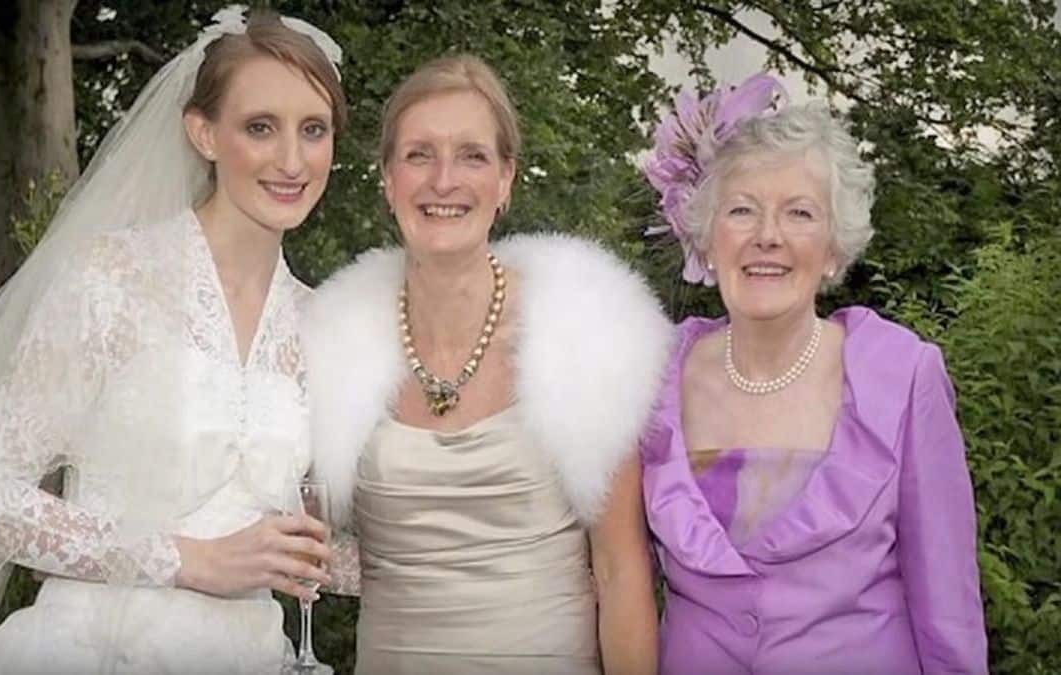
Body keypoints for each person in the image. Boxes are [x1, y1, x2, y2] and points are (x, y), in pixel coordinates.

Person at [0, 9, 346, 674]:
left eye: (313, 129)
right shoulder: (112, 278)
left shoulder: (322, 324)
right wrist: (188, 560)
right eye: (260, 126)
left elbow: (320, 545)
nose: (292, 160)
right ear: (204, 133)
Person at [302, 54, 668, 675]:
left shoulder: (585, 334)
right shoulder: (328, 344)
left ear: (505, 181)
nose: (444, 180)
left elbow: (620, 571)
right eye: (419, 155)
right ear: (388, 179)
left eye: (472, 156)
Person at [639, 74, 988, 674]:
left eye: (799, 213)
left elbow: (948, 612)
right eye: (742, 210)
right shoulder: (646, 374)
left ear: (833, 249)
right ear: (707, 237)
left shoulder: (905, 376)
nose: (767, 236)